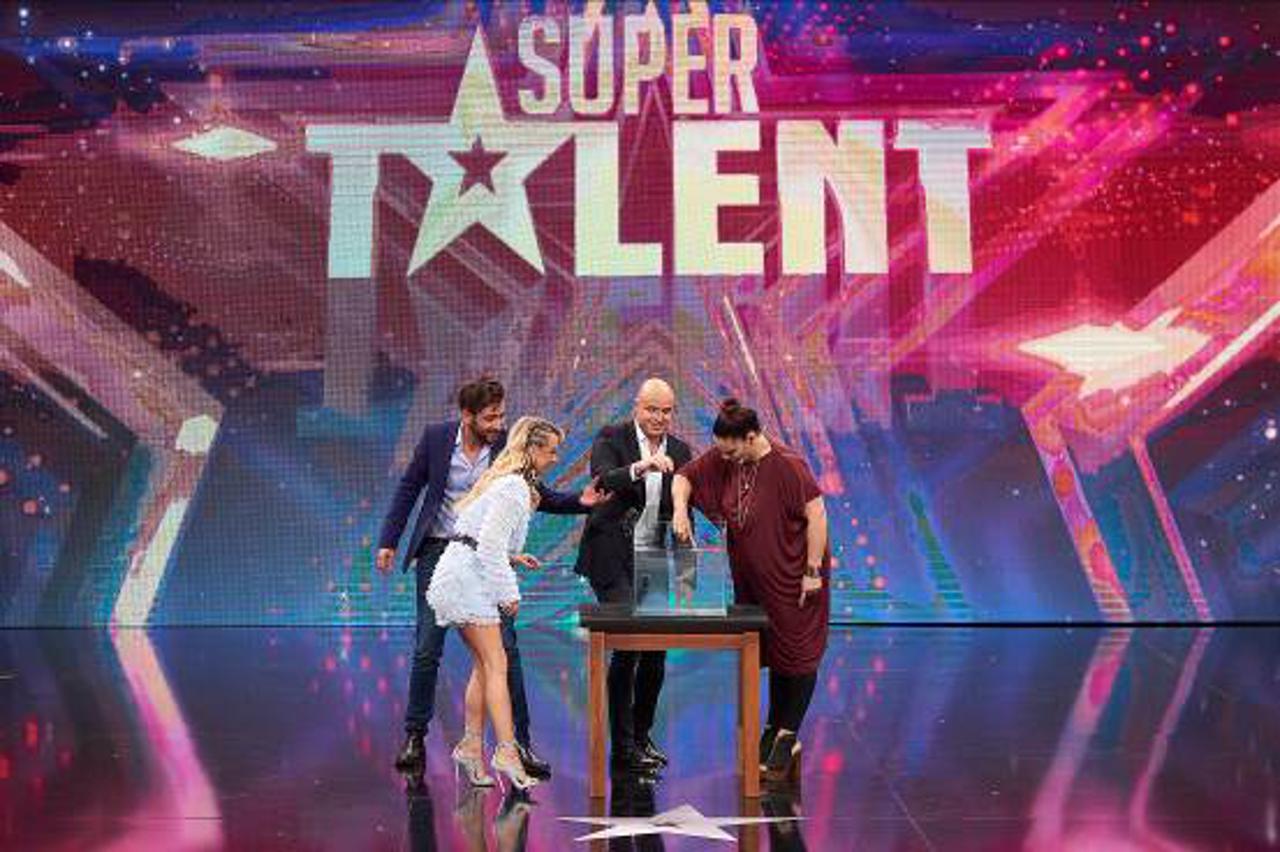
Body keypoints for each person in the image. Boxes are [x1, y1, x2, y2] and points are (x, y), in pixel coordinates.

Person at [376, 377, 605, 779]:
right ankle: (423, 736)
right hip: (446, 554)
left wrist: (579, 502)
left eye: (501, 415)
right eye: (490, 417)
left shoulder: (507, 454)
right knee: (432, 648)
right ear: (467, 416)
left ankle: (507, 743)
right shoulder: (436, 439)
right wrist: (388, 541)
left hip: (479, 557)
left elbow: (536, 494)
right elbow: (410, 489)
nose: (499, 424)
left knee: (497, 657)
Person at [671, 399, 830, 784]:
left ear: (752, 436)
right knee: (774, 652)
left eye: (731, 451)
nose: (725, 458)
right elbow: (684, 477)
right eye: (721, 451)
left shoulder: (788, 465)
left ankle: (788, 733)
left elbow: (818, 514)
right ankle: (773, 727)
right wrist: (679, 510)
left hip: (794, 575)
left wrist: (812, 570)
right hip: (754, 582)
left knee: (798, 653)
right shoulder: (728, 456)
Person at [425, 416, 566, 791]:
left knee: (484, 665)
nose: (555, 459)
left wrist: (513, 558)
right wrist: (509, 593)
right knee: (497, 663)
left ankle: (471, 746)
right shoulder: (513, 487)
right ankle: (506, 751)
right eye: (551, 451)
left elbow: (481, 536)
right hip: (466, 579)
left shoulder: (509, 483)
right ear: (532, 449)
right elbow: (487, 545)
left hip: (460, 573)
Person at [574, 378, 693, 775]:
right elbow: (603, 479)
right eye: (652, 409)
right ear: (637, 407)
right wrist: (644, 466)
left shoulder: (680, 451)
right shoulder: (612, 437)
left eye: (666, 411)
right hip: (611, 554)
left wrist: (687, 573)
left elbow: (683, 511)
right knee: (629, 644)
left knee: (656, 651)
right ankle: (623, 747)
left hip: (653, 558)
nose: (659, 417)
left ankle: (641, 737)